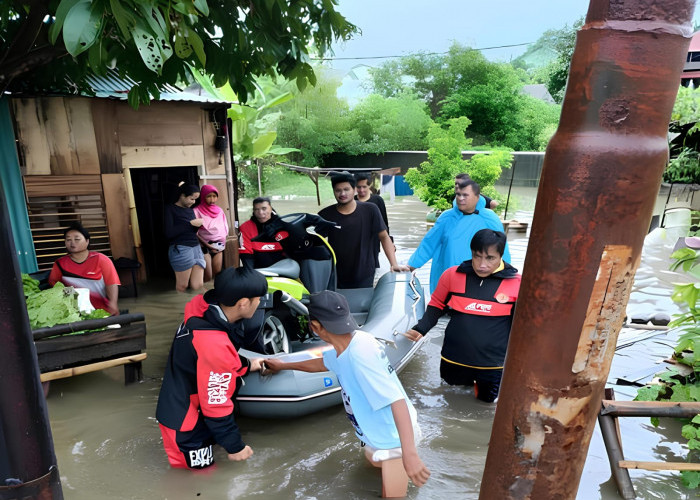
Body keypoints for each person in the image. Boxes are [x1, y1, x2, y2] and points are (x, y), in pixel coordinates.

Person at [264, 291, 430, 498]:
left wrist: (409, 454)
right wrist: (282, 364)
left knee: (393, 497)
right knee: (371, 477)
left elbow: (396, 401)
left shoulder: (360, 355)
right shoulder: (351, 341)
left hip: (394, 439)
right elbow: (323, 362)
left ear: (314, 327)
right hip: (375, 434)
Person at [155, 266, 267, 469]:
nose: (260, 303)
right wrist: (235, 447)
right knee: (199, 481)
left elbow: (207, 361)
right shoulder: (213, 343)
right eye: (258, 299)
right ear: (242, 303)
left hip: (182, 403)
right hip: (186, 425)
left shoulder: (201, 310)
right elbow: (216, 404)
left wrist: (249, 364)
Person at [405, 230, 521, 403]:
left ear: (501, 256)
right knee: (449, 403)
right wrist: (421, 329)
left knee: (485, 408)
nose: (482, 264)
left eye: (490, 258)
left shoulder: (517, 283)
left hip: (492, 365)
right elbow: (436, 305)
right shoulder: (452, 275)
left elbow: (522, 328)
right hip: (453, 359)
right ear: (471, 253)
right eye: (477, 256)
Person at [408, 178, 511, 293]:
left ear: (477, 197)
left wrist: (505, 275)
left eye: (465, 195)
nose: (461, 198)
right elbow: (429, 243)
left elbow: (502, 249)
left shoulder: (489, 218)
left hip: (480, 278)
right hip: (448, 275)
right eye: (458, 195)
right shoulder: (446, 217)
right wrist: (411, 266)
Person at [319, 172, 408, 288]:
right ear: (333, 191)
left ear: (354, 190)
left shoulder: (371, 210)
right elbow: (314, 241)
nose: (342, 194)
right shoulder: (325, 215)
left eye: (346, 189)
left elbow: (384, 237)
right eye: (338, 190)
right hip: (336, 273)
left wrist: (394, 264)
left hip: (365, 272)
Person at [48, 222, 120, 315]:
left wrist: (113, 303)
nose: (72, 243)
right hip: (74, 312)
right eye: (68, 240)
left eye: (77, 239)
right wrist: (75, 296)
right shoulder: (60, 263)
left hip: (101, 310)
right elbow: (55, 287)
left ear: (87, 241)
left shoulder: (101, 259)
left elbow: (111, 283)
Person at [164, 182, 205, 292]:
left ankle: (198, 307)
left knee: (198, 286)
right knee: (182, 286)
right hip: (180, 248)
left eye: (196, 199)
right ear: (182, 196)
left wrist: (198, 225)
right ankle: (181, 308)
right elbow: (169, 233)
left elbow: (191, 231)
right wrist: (190, 224)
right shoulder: (170, 209)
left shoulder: (190, 210)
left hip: (196, 247)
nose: (194, 202)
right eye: (192, 199)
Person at [239, 197, 286, 269]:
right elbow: (246, 255)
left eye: (264, 209)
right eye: (256, 209)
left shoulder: (283, 225)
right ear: (253, 211)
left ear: (270, 208)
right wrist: (251, 273)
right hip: (257, 271)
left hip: (284, 268)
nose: (260, 213)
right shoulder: (245, 227)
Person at [194, 184, 229, 283]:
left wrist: (220, 244)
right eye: (209, 196)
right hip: (204, 247)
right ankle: (201, 296)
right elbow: (194, 232)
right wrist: (208, 245)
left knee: (217, 273)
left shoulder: (220, 211)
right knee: (208, 276)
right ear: (203, 197)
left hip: (219, 246)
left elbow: (224, 227)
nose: (212, 199)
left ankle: (214, 296)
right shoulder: (196, 211)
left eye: (214, 196)